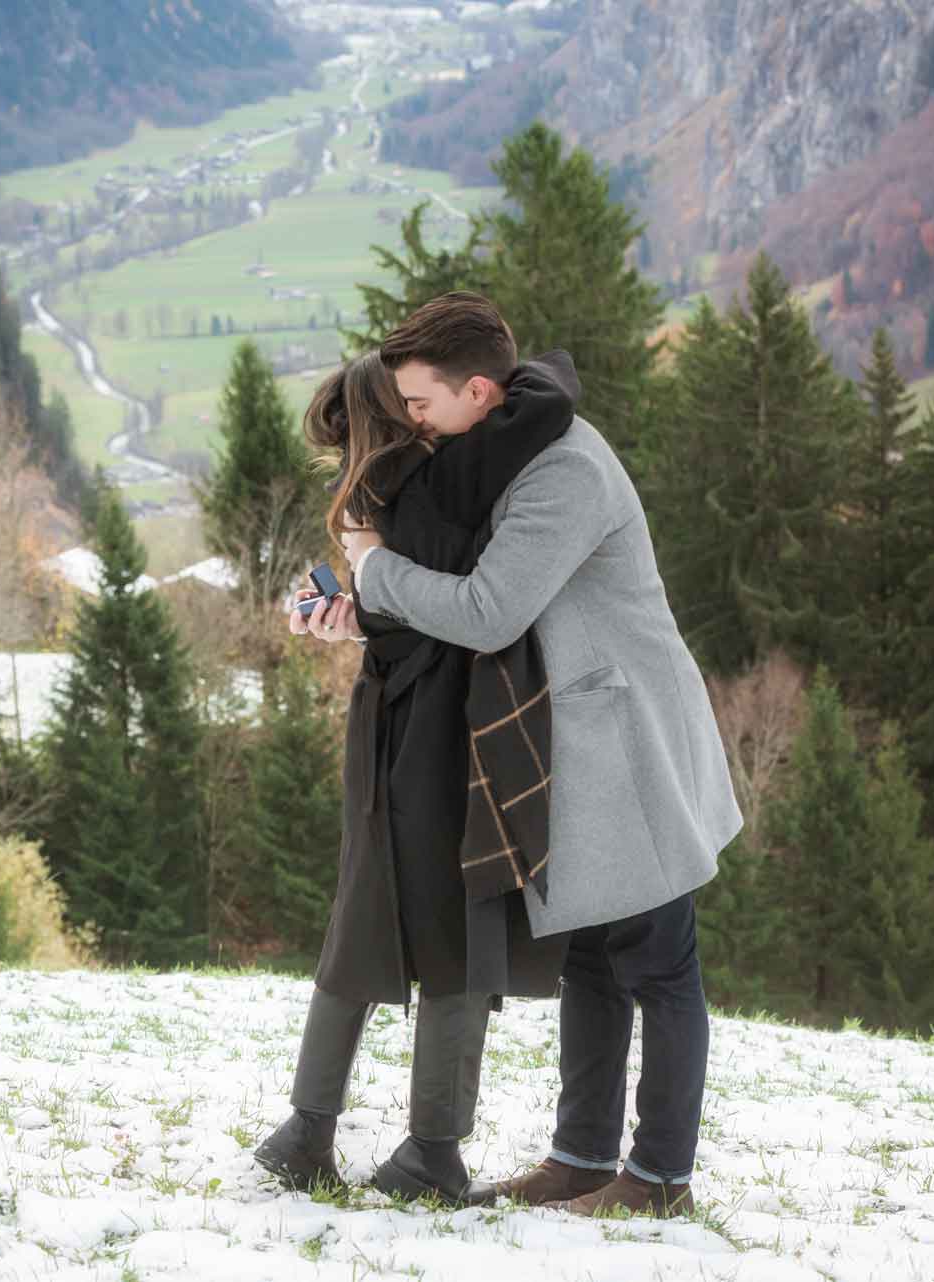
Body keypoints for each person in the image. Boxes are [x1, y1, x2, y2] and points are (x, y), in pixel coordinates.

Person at [300, 291, 742, 1218]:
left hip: (628, 740)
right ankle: (580, 1159)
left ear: (475, 390)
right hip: (568, 743)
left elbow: (489, 608)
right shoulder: (502, 447)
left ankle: (659, 1179)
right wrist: (365, 613)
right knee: (590, 958)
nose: (412, 422)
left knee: (659, 963)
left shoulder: (561, 476)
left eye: (420, 405)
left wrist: (374, 567)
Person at [253, 348, 578, 1203]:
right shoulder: (444, 482)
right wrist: (366, 609)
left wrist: (361, 608)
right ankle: (430, 1150)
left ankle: (308, 1128)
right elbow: (452, 610)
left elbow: (411, 608)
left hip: (391, 724)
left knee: (364, 910)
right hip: (452, 726)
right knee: (460, 933)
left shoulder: (390, 491)